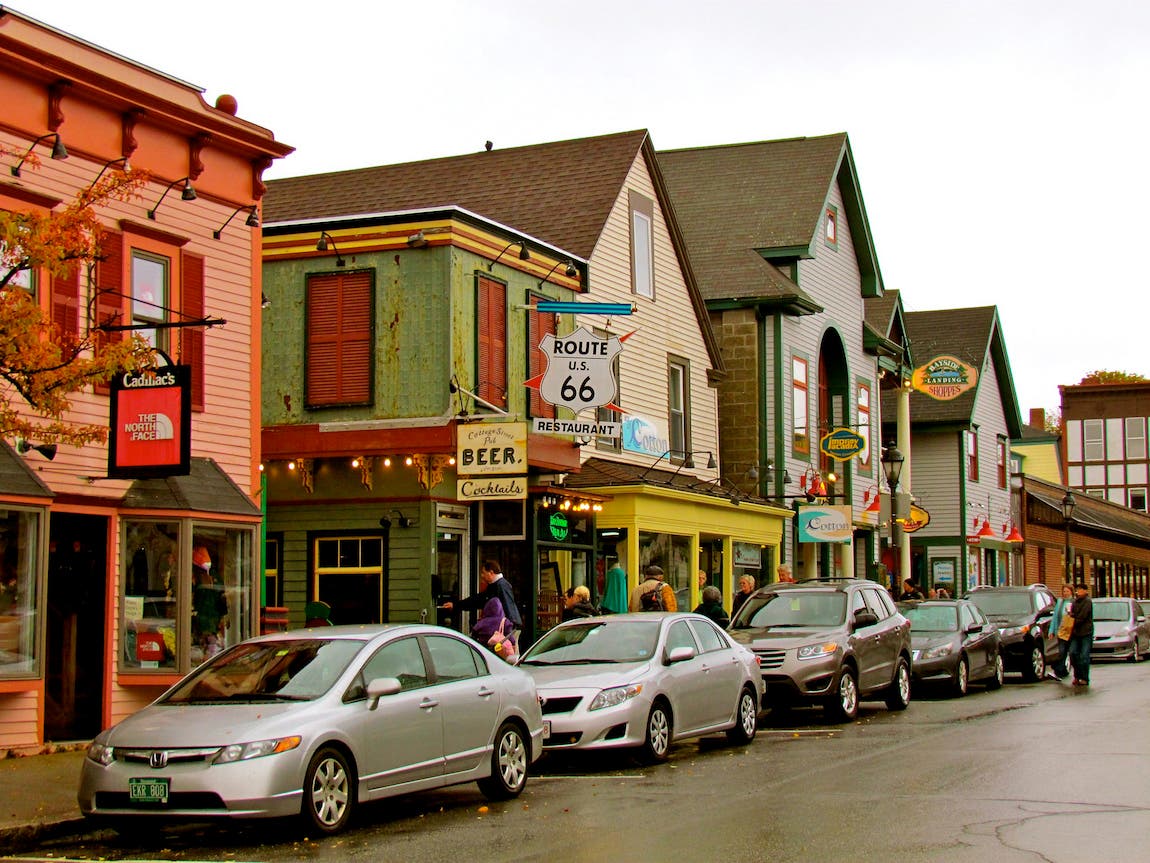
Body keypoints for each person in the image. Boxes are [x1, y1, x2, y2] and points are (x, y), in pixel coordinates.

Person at [442, 559, 523, 638]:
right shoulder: (495, 586)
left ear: (491, 572)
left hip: (508, 630)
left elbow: (508, 607)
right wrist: (456, 605)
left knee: (509, 651)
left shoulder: (501, 586)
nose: (482, 576)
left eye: (483, 573)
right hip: (506, 628)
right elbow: (477, 600)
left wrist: (509, 627)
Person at [191, 546, 228, 659]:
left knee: (210, 647)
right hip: (210, 624)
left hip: (206, 623)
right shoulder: (215, 578)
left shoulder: (199, 580)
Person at [1067, 582, 1094, 686]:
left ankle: (1084, 678)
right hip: (1075, 633)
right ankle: (1077, 676)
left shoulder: (1087, 602)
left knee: (1084, 656)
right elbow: (1071, 613)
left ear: (1085, 591)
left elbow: (1083, 616)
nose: (1078, 591)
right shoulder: (1074, 602)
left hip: (1085, 632)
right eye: (1077, 589)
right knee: (1073, 653)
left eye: (1080, 589)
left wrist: (1072, 619)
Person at [1048, 584, 1074, 680]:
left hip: (1071, 631)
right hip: (1061, 631)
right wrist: (1052, 630)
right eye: (1064, 591)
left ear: (1071, 592)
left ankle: (1062, 670)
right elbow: (1055, 617)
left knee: (1071, 652)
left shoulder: (1074, 602)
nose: (1065, 593)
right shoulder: (1060, 602)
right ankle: (1058, 671)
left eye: (1067, 591)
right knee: (1061, 651)